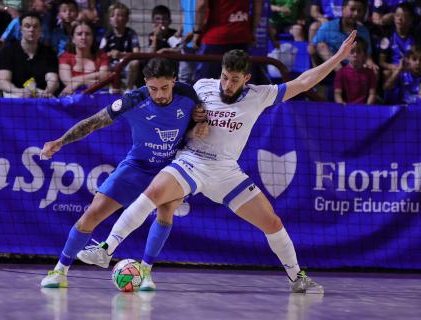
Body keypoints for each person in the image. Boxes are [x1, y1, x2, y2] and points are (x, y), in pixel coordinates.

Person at [77, 30, 359, 294]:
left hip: (226, 172)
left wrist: (337, 57)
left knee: (272, 222)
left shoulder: (261, 95)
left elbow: (304, 82)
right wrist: (192, 129)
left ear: (246, 78)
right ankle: (106, 249)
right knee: (152, 193)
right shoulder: (203, 86)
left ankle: (297, 278)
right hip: (192, 161)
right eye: (225, 77)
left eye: (234, 79)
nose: (227, 84)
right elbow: (177, 116)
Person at [40, 57, 207, 288]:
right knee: (92, 213)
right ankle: (59, 272)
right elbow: (93, 123)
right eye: (153, 89)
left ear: (174, 80)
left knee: (166, 212)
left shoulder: (188, 95)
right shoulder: (133, 100)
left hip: (171, 168)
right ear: (145, 83)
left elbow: (204, 117)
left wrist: (201, 121)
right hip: (137, 165)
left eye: (165, 88)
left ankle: (146, 273)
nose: (159, 94)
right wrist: (60, 141)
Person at [0, 11, 59, 98]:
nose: (32, 29)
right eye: (27, 26)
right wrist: (18, 91)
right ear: (21, 29)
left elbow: (53, 79)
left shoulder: (49, 52)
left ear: (40, 29)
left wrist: (48, 91)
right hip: (14, 93)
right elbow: (3, 82)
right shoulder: (7, 50)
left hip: (41, 94)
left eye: (35, 26)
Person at [58, 20, 109, 96]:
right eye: (79, 34)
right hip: (73, 98)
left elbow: (104, 76)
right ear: (72, 38)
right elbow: (68, 81)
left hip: (97, 97)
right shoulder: (65, 57)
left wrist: (78, 83)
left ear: (92, 38)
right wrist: (95, 76)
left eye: (87, 34)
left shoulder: (101, 56)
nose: (83, 37)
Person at [99, 2, 140, 91]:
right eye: (113, 15)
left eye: (119, 15)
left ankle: (129, 90)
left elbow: (137, 54)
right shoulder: (107, 36)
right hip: (111, 66)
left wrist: (121, 55)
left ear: (126, 19)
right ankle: (110, 89)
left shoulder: (131, 34)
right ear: (109, 19)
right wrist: (108, 55)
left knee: (135, 62)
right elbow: (100, 55)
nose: (116, 18)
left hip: (126, 65)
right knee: (102, 66)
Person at [334, 37, 376, 104]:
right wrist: (343, 106)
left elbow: (372, 94)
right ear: (346, 54)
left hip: (364, 109)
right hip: (346, 109)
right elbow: (337, 94)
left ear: (364, 55)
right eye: (352, 51)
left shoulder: (370, 73)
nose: (355, 55)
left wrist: (366, 108)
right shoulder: (341, 72)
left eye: (359, 52)